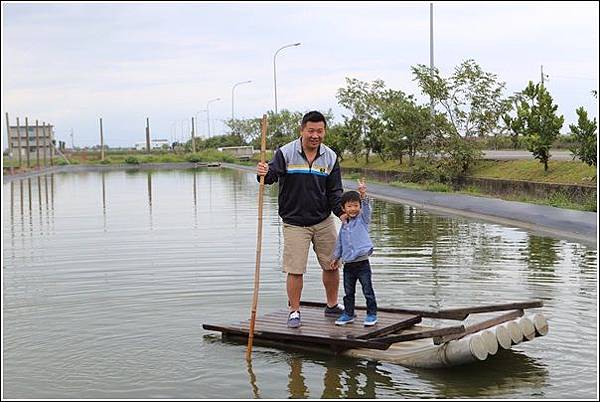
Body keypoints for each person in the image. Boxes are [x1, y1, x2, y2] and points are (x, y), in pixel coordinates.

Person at [256, 110, 345, 328]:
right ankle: (294, 311)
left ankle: (332, 305)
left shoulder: (330, 157)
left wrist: (342, 213)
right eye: (311, 131)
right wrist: (263, 172)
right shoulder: (285, 153)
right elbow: (270, 177)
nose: (315, 135)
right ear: (302, 130)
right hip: (295, 222)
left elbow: (335, 192)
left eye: (320, 131)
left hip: (323, 220)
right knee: (295, 269)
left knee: (332, 264)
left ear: (324, 132)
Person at [330, 178, 378, 326]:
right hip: (348, 265)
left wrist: (363, 195)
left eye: (355, 206)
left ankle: (371, 314)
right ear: (343, 208)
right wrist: (335, 257)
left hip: (362, 263)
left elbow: (367, 208)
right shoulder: (344, 225)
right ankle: (348, 314)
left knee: (367, 290)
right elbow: (340, 243)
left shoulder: (363, 219)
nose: (353, 209)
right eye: (349, 206)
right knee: (348, 292)